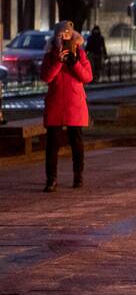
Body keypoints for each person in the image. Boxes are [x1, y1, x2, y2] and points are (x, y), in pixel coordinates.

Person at [41, 21, 93, 192]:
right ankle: (51, 179)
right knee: (52, 144)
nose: (64, 37)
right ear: (56, 37)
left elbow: (87, 77)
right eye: (61, 35)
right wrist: (59, 61)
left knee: (76, 142)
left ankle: (78, 176)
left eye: (67, 34)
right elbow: (47, 77)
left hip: (74, 104)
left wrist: (74, 63)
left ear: (73, 36)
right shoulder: (50, 55)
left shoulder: (80, 53)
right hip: (56, 103)